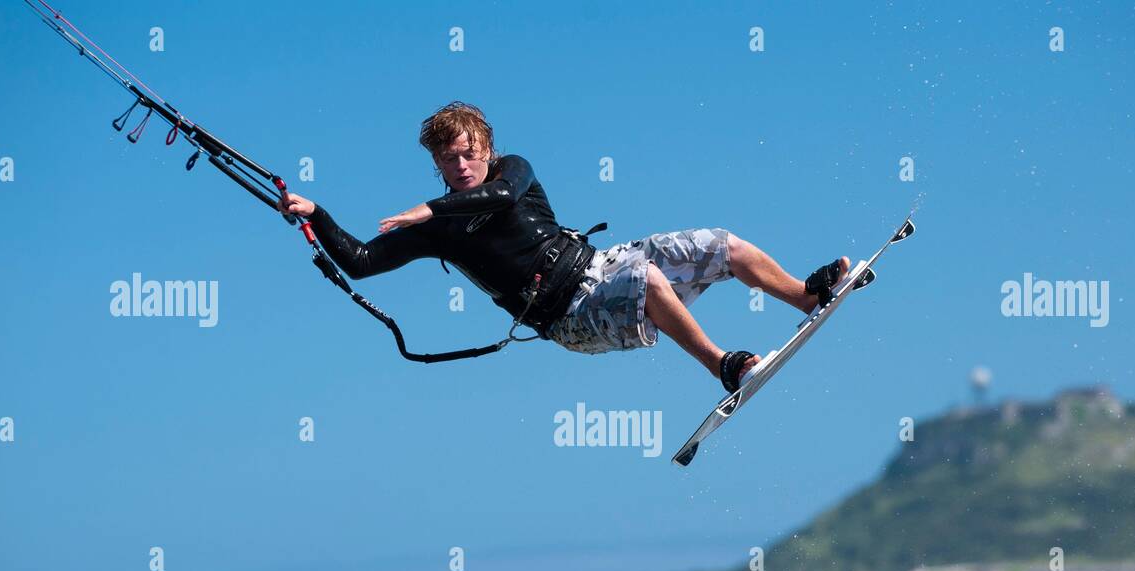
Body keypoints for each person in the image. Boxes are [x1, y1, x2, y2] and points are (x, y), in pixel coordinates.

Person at [279, 102, 851, 392]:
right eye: (447, 160)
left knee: (719, 243)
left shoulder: (512, 171)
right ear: (436, 163)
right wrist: (316, 215)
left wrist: (430, 207)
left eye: (467, 153)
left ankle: (804, 296)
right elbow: (360, 261)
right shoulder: (436, 233)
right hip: (567, 317)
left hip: (599, 264)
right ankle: (725, 368)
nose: (460, 166)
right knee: (647, 281)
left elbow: (500, 198)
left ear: (486, 147)